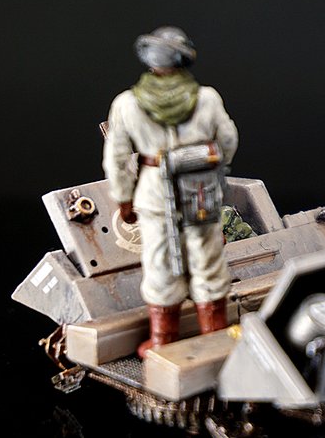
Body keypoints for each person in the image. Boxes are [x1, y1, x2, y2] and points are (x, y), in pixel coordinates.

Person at [102, 26, 239, 358]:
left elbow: (116, 159)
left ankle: (163, 339)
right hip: (200, 189)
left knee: (159, 262)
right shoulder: (207, 98)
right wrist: (212, 170)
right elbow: (228, 140)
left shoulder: (127, 103)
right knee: (207, 259)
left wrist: (124, 198)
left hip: (153, 192)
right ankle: (215, 335)